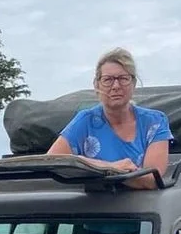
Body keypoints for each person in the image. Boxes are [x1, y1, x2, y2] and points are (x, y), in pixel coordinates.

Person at [47, 48, 173, 189]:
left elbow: (151, 180)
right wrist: (111, 167)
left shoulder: (154, 122)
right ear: (97, 85)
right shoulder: (85, 121)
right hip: (96, 206)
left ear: (133, 84)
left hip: (144, 206)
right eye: (108, 80)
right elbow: (52, 161)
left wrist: (85, 165)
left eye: (123, 79)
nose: (116, 86)